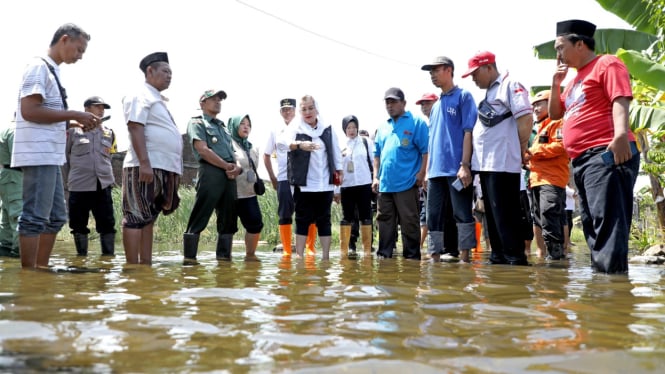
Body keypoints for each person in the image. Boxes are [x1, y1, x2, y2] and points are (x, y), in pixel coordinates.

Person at [549, 19, 639, 273]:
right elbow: (556, 113)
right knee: (592, 225)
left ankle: (613, 292)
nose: (558, 54)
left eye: (560, 47)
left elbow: (620, 98)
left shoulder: (606, 63)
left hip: (606, 153)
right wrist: (556, 83)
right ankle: (603, 291)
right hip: (582, 161)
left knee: (608, 224)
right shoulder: (574, 81)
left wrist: (620, 134)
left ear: (579, 44)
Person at [11, 23, 99, 269]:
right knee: (34, 217)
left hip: (51, 154)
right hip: (38, 154)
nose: (80, 56)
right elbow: (29, 111)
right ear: (64, 40)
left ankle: (41, 269)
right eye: (79, 49)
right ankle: (30, 276)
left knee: (56, 217)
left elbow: (46, 114)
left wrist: (73, 122)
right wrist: (74, 114)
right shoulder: (38, 67)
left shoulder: (52, 71)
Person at [462, 51, 532, 265]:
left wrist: (521, 147)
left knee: (506, 218)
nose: (473, 79)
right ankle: (500, 259)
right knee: (494, 219)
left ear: (489, 68)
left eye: (475, 74)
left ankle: (514, 261)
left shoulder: (509, 85)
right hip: (487, 166)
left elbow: (526, 117)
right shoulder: (490, 93)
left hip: (502, 163)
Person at [122, 52, 182, 265]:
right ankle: (132, 269)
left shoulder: (157, 99)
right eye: (165, 71)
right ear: (150, 71)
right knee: (135, 217)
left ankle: (145, 266)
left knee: (149, 218)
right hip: (145, 166)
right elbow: (135, 126)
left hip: (162, 167)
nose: (169, 76)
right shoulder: (141, 94)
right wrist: (145, 163)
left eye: (171, 73)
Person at [421, 56, 478, 263]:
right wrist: (427, 172)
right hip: (435, 172)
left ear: (449, 70)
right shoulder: (435, 106)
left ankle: (465, 258)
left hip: (456, 170)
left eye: (436, 70)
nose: (433, 75)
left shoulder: (464, 97)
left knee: (462, 214)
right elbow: (432, 141)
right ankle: (434, 257)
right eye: (430, 72)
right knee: (432, 216)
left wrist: (465, 165)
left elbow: (468, 132)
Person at [281, 95, 342, 260]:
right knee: (302, 219)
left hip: (325, 183)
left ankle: (326, 258)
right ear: (300, 112)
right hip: (304, 183)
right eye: (303, 109)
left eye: (310, 108)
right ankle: (299, 258)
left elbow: (336, 151)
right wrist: (300, 144)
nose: (307, 112)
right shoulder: (296, 127)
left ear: (317, 109)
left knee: (324, 219)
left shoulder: (327, 128)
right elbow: (283, 143)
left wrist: (339, 172)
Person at [182, 89, 239, 264]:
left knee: (229, 218)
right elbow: (203, 150)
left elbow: (231, 152)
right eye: (213, 99)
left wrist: (235, 168)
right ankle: (190, 262)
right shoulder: (197, 122)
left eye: (220, 99)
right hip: (211, 172)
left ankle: (224, 261)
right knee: (201, 215)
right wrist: (225, 166)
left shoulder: (222, 127)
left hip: (229, 175)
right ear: (202, 103)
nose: (217, 102)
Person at [373, 87, 429, 260]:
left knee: (409, 223)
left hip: (407, 183)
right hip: (385, 185)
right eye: (387, 102)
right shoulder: (382, 127)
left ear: (403, 103)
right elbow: (377, 154)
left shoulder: (417, 122)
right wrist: (375, 176)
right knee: (384, 223)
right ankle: (384, 258)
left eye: (394, 102)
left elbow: (425, 151)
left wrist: (421, 174)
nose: (390, 106)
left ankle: (412, 260)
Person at [263, 98, 317, 256]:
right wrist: (273, 178)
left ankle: (310, 248)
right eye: (284, 110)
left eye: (290, 109)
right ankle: (287, 250)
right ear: (281, 112)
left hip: (303, 178)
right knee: (285, 213)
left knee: (309, 212)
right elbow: (266, 155)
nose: (287, 112)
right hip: (284, 178)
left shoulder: (305, 128)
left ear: (296, 111)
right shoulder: (275, 130)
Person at [64, 96, 117, 256]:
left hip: (102, 185)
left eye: (103, 108)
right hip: (79, 186)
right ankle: (81, 261)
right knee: (78, 225)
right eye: (97, 107)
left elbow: (110, 157)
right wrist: (68, 184)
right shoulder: (73, 132)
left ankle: (107, 260)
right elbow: (65, 158)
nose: (101, 110)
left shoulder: (109, 132)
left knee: (107, 224)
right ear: (86, 109)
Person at [525, 90, 569, 260]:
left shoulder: (558, 123)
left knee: (549, 216)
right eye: (533, 105)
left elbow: (561, 146)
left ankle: (556, 260)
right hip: (535, 180)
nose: (535, 108)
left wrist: (534, 151)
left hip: (552, 180)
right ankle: (548, 256)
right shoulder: (540, 128)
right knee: (539, 219)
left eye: (539, 104)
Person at [333, 115, 374, 258]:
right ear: (344, 129)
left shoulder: (366, 142)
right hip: (347, 186)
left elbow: (374, 161)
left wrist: (375, 179)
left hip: (364, 184)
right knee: (347, 217)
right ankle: (349, 247)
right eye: (348, 127)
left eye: (353, 127)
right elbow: (337, 169)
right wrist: (336, 190)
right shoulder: (340, 145)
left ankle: (367, 249)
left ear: (357, 127)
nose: (351, 130)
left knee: (366, 216)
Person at [228, 114, 264, 261]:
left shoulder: (252, 147)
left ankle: (250, 256)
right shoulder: (227, 144)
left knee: (256, 224)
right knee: (227, 228)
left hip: (249, 194)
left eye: (248, 124)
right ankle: (225, 259)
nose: (245, 127)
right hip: (230, 194)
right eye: (242, 123)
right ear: (234, 126)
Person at [0, 119, 21, 258]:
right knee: (18, 214)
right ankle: (20, 249)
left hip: (9, 175)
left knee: (7, 214)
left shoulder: (7, 129)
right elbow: (19, 158)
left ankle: (6, 247)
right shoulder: (17, 131)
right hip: (15, 175)